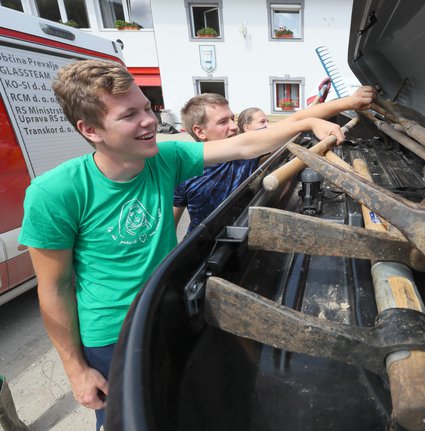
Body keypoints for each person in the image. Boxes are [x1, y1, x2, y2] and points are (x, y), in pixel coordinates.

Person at [17, 59, 344, 431]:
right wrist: (76, 370)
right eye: (130, 115)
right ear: (90, 129)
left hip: (168, 310)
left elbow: (247, 144)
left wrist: (314, 118)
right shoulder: (55, 192)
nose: (149, 121)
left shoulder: (166, 159)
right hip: (112, 338)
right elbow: (54, 288)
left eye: (146, 107)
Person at [174, 86, 376, 233]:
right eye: (222, 122)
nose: (234, 126)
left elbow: (296, 119)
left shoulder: (245, 151)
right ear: (200, 132)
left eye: (232, 118)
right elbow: (169, 224)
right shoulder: (181, 171)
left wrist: (350, 102)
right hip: (199, 252)